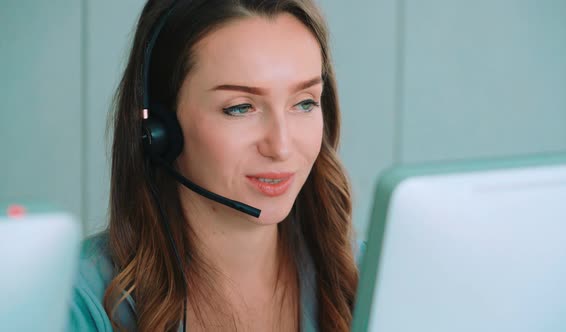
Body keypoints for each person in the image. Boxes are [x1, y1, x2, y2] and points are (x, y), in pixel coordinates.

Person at [69, 0, 360, 331]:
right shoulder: (75, 299)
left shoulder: (373, 276)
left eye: (305, 103)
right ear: (160, 130)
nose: (280, 147)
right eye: (240, 108)